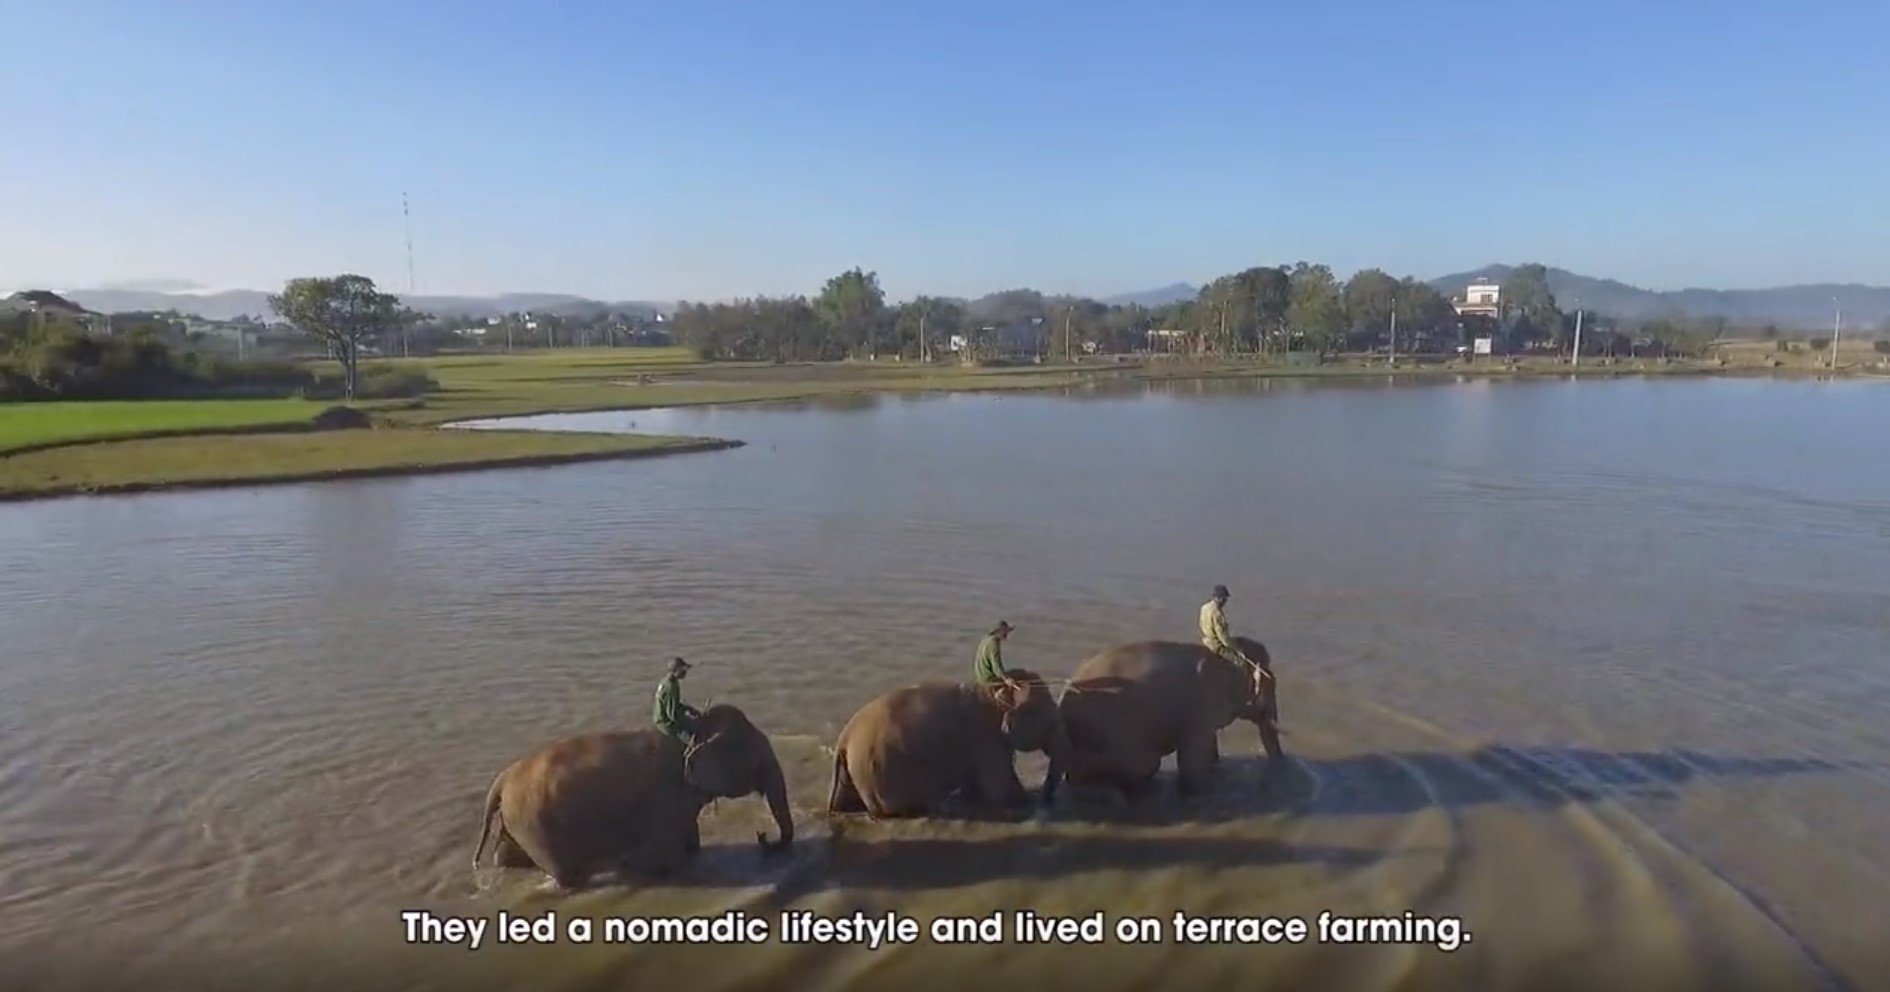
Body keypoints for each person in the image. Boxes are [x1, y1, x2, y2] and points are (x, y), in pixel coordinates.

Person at [1200, 585, 1277, 722]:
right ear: (1219, 598)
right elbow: (1224, 638)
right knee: (1241, 664)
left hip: (1206, 641)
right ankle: (1246, 696)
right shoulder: (1217, 614)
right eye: (1224, 599)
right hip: (1216, 645)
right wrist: (1238, 651)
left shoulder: (1205, 608)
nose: (1225, 602)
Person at [653, 657, 702, 743]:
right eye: (683, 670)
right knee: (696, 728)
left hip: (659, 716)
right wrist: (688, 720)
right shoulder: (671, 687)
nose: (685, 673)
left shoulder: (665, 681)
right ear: (676, 671)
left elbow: (672, 703)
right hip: (666, 723)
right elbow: (672, 715)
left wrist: (687, 709)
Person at [972, 621, 1014, 685]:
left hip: (980, 676)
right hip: (988, 678)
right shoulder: (994, 643)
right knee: (1019, 673)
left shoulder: (985, 639)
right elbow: (996, 667)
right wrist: (1006, 679)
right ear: (999, 632)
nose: (1007, 635)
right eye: (1005, 632)